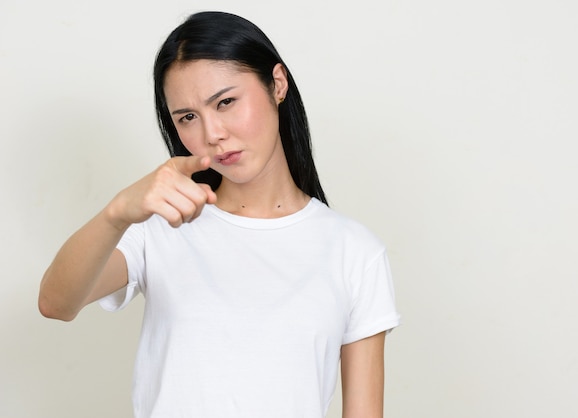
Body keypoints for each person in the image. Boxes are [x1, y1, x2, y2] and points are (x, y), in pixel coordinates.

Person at [39, 11, 400, 418]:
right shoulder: (161, 226)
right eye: (188, 118)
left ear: (276, 85)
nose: (211, 134)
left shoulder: (354, 252)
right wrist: (118, 212)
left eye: (226, 102)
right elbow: (57, 303)